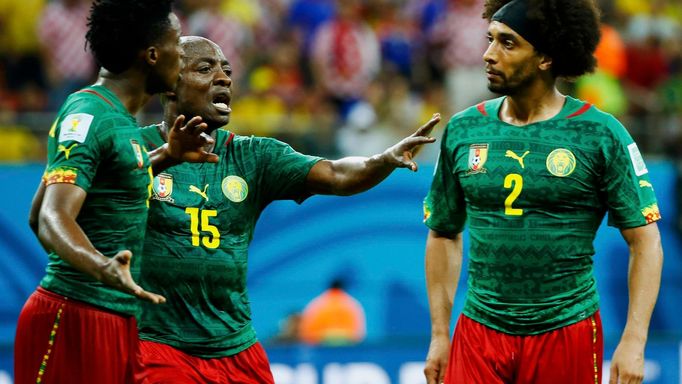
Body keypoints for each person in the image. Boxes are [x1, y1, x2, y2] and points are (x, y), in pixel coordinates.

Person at [134, 36, 440, 383]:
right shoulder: (135, 146)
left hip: (236, 348)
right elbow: (93, 198)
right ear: (170, 82)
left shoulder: (253, 156)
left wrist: (382, 160)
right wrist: (161, 159)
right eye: (206, 69)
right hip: (160, 345)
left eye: (227, 70)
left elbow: (337, 173)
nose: (223, 78)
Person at [422, 1, 663, 383]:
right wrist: (439, 334)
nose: (488, 54)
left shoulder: (599, 134)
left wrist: (634, 339)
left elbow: (646, 242)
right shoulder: (464, 130)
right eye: (490, 40)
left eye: (507, 43)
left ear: (545, 58)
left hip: (566, 328)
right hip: (479, 328)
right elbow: (443, 232)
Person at [15, 1, 219, 383]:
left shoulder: (119, 121)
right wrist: (102, 267)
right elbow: (50, 217)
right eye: (178, 41)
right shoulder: (88, 114)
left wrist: (168, 156)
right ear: (154, 55)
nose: (184, 51)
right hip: (74, 316)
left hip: (115, 317)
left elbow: (44, 206)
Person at [299, 278, 367, 346]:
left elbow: (306, 331)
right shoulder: (352, 304)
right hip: (345, 344)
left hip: (321, 343)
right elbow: (359, 334)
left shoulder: (316, 303)